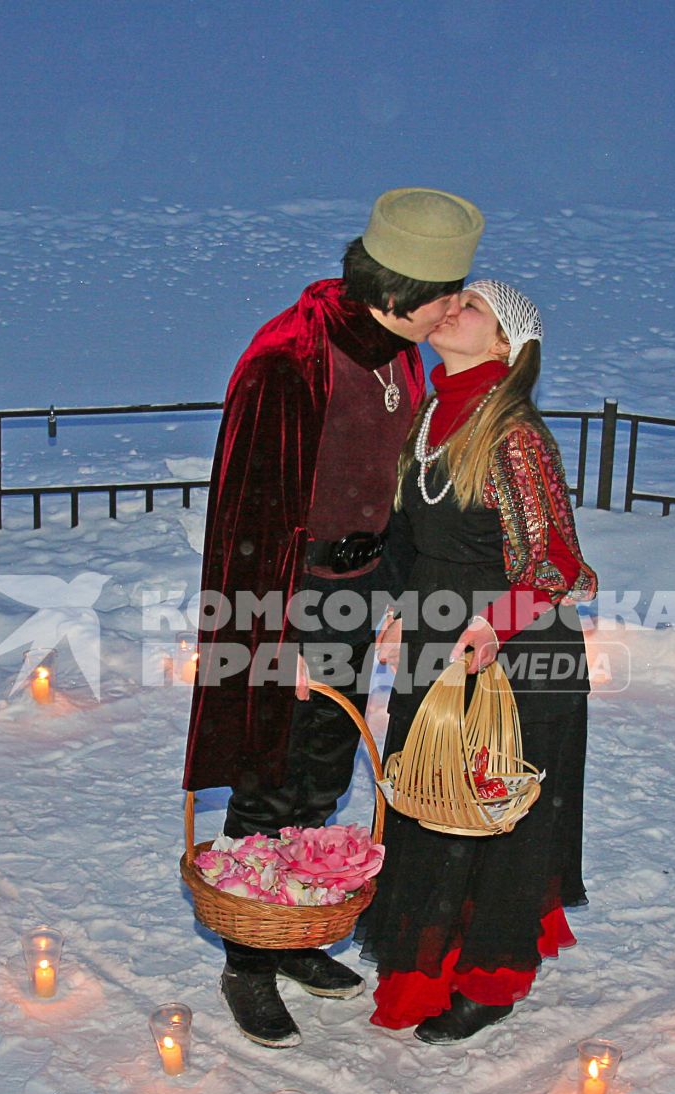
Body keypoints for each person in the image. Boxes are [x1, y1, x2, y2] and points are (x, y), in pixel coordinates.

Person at [183, 188, 485, 1048]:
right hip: (287, 598)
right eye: (445, 297)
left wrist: (389, 589)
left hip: (356, 592)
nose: (456, 310)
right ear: (394, 291)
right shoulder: (291, 357)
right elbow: (246, 513)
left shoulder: (400, 346)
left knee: (323, 767)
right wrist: (273, 638)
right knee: (268, 774)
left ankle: (299, 930)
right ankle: (247, 956)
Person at [356, 279, 597, 1044]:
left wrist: (497, 626)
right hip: (440, 637)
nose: (451, 308)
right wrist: (396, 604)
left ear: (504, 346)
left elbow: (556, 565)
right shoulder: (430, 414)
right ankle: (430, 962)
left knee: (492, 812)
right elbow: (414, 539)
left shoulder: (513, 431)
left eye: (475, 309)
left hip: (516, 655)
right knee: (428, 794)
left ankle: (490, 975)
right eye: (454, 299)